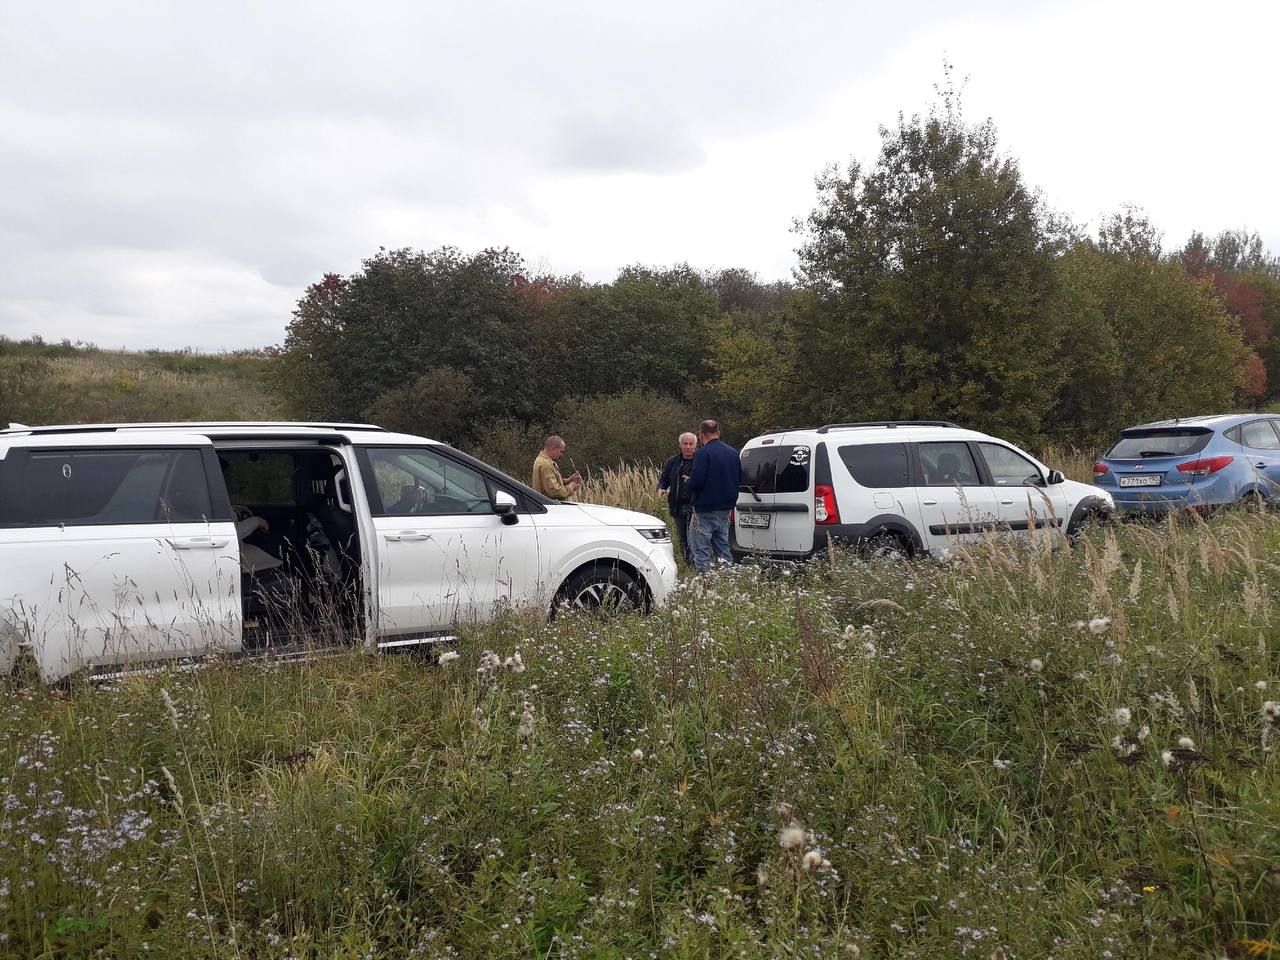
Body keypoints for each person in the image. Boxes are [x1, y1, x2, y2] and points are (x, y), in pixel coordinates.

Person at [687, 419, 741, 574]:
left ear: (701, 435)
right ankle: (728, 578)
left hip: (704, 509)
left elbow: (697, 482)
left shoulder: (702, 453)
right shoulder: (733, 453)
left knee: (700, 549)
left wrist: (688, 481)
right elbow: (738, 478)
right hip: (725, 509)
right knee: (723, 547)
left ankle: (705, 581)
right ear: (718, 433)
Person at [657, 432, 698, 563]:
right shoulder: (673, 461)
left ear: (695, 445)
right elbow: (664, 479)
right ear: (680, 445)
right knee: (682, 536)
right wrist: (661, 488)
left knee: (692, 535)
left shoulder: (701, 460)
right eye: (685, 444)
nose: (688, 447)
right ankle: (686, 561)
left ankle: (694, 562)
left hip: (695, 505)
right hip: (677, 504)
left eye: (691, 444)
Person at [531, 435, 582, 500]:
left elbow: (553, 483)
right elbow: (554, 491)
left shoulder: (545, 461)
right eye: (561, 451)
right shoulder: (546, 465)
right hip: (549, 505)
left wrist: (570, 480)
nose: (561, 455)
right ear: (553, 449)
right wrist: (571, 486)